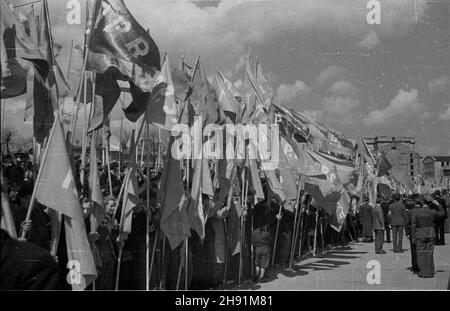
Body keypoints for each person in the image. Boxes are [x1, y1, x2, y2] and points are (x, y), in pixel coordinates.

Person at [411, 194, 445, 278]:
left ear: (422, 202)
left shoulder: (416, 212)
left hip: (420, 234)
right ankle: (429, 272)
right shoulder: (432, 211)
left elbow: (413, 225)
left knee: (421, 254)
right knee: (429, 253)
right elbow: (443, 213)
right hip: (431, 233)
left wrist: (413, 236)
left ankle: (423, 272)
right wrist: (437, 204)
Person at [405, 197, 420, 273]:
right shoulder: (422, 211)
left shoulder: (410, 212)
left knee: (414, 251)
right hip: (421, 232)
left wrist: (407, 233)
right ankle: (421, 265)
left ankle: (415, 266)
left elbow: (407, 223)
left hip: (413, 232)